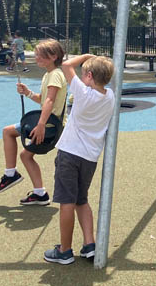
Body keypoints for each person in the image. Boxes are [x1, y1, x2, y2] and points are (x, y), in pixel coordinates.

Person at [43, 53, 115, 265]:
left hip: (70, 154)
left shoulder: (83, 93)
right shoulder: (110, 96)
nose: (82, 78)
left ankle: (64, 250)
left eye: (85, 75)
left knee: (67, 202)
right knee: (81, 200)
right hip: (90, 157)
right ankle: (90, 244)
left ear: (90, 76)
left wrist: (87, 56)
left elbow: (65, 65)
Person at [0, 39, 67, 205]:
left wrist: (40, 125)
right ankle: (40, 194)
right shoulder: (50, 74)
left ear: (54, 56)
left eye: (41, 55)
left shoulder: (55, 75)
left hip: (48, 126)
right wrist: (28, 93)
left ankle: (10, 174)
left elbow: (50, 102)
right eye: (37, 54)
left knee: (7, 132)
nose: (37, 57)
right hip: (49, 123)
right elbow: (43, 99)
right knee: (26, 156)